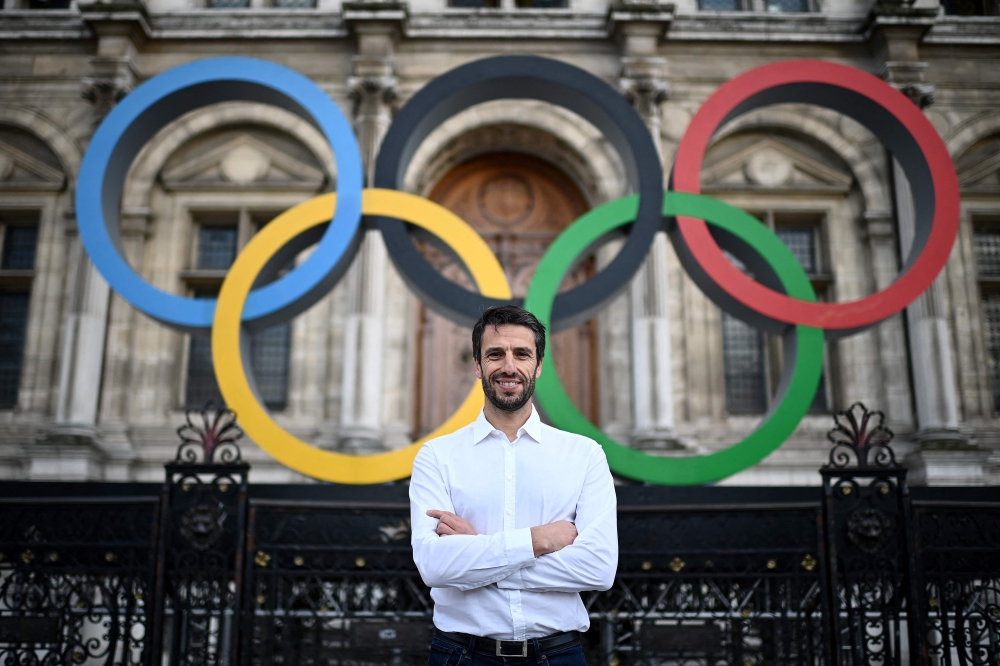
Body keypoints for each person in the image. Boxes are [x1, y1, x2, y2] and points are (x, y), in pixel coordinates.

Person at [409, 305, 618, 666]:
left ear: (538, 366)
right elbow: (434, 567)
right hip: (461, 655)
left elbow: (598, 569)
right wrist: (537, 541)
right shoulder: (437, 456)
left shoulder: (584, 455)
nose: (509, 367)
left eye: (522, 354)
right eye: (495, 354)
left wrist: (476, 554)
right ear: (478, 366)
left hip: (557, 655)